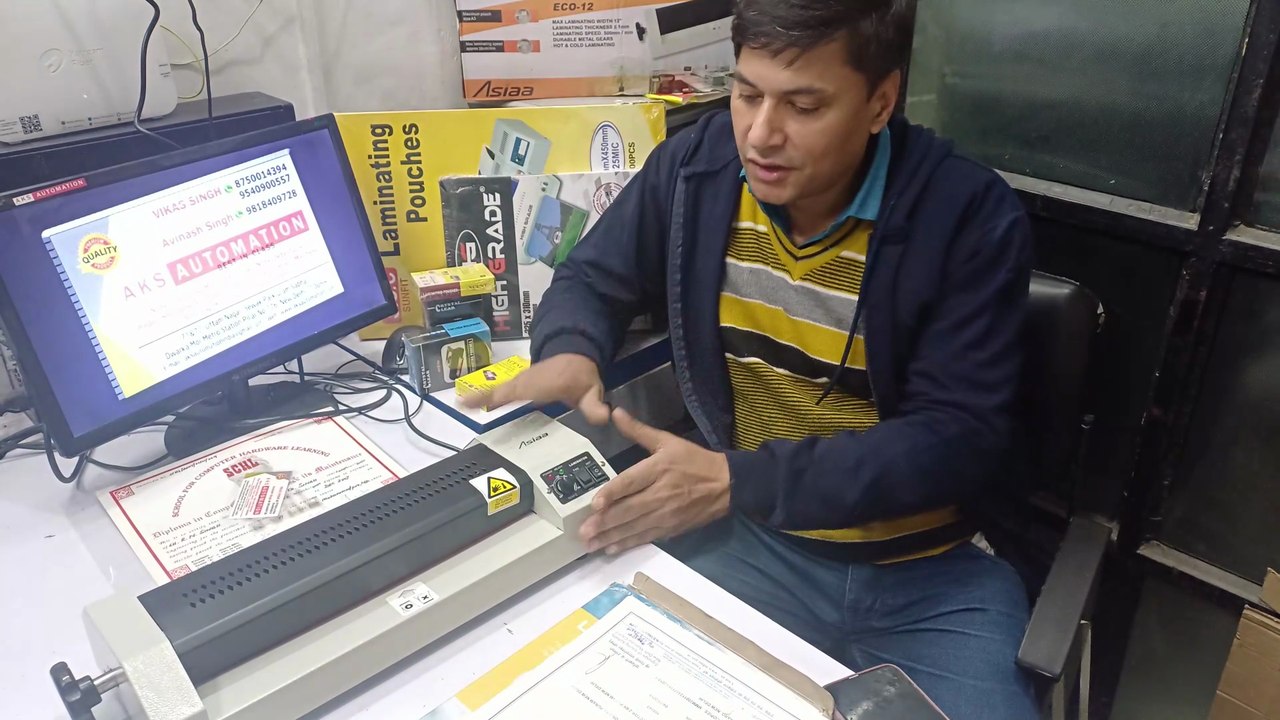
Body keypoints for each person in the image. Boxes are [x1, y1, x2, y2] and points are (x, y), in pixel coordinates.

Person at [462, 0, 1038, 716]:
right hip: (758, 547)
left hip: (932, 572)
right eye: (747, 94)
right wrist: (572, 347)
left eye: (803, 106)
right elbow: (593, 278)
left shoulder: (966, 215)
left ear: (880, 102)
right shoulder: (698, 168)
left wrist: (739, 481)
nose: (762, 134)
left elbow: (953, 439)